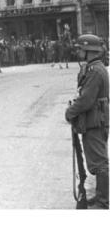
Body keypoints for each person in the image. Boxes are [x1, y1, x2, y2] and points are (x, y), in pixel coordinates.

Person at [65, 34, 109, 209]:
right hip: (93, 119)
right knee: (97, 160)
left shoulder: (95, 71)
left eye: (80, 49)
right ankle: (101, 197)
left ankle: (103, 201)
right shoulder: (94, 68)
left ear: (89, 51)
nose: (78, 52)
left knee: (99, 162)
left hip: (95, 121)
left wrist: (70, 112)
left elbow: (86, 100)